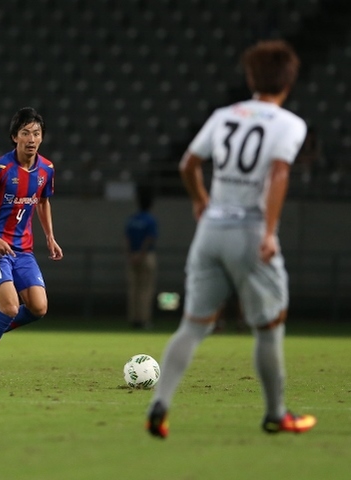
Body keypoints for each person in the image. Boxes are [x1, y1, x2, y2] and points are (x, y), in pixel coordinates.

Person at [145, 40, 316, 438]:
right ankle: (276, 413)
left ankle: (160, 404)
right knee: (269, 327)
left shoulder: (224, 116)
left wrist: (201, 201)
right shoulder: (289, 124)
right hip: (249, 231)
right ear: (289, 81)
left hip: (210, 231)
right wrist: (269, 232)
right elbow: (278, 173)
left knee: (192, 325)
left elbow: (188, 164)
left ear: (251, 77)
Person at [0, 107, 63, 385]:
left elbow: (43, 201)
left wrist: (50, 236)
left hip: (23, 250)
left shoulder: (46, 169)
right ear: (14, 137)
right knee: (9, 307)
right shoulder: (0, 169)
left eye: (36, 133)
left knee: (38, 308)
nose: (31, 139)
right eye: (25, 133)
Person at [124, 185, 158, 329]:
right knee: (146, 289)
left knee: (133, 289)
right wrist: (142, 254)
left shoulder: (132, 219)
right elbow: (150, 239)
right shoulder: (150, 220)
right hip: (146, 256)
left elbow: (126, 238)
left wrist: (130, 255)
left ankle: (134, 319)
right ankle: (144, 320)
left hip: (132, 256)